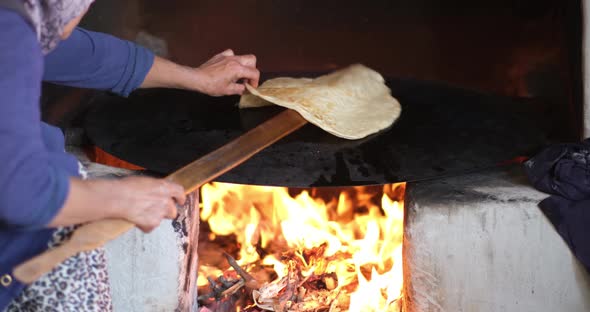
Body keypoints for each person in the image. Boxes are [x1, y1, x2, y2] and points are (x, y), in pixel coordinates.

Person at [0, 0, 260, 310]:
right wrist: (119, 197)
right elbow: (20, 192)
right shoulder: (10, 27)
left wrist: (196, 78)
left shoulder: (16, 19)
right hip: (23, 247)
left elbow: (72, 53)